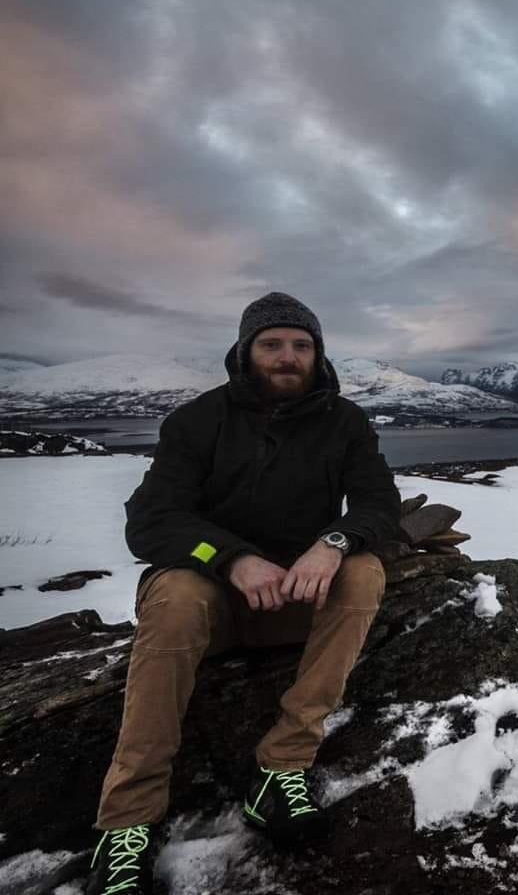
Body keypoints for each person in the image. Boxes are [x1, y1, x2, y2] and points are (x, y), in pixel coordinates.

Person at [86, 292, 401, 895]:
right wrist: (228, 558)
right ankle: (128, 820)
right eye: (272, 344)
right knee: (176, 593)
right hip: (212, 605)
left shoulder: (346, 422)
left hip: (296, 598)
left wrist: (335, 540)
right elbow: (150, 521)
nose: (288, 356)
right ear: (245, 351)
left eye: (301, 345)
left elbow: (378, 504)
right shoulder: (196, 422)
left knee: (363, 571)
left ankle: (283, 764)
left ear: (318, 354)